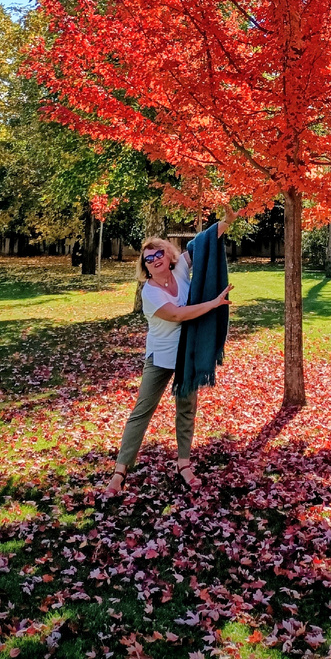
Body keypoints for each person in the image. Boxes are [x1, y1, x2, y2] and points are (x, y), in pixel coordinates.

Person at [104, 208, 234, 496]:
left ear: (167, 255)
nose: (155, 259)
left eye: (159, 253)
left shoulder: (179, 269)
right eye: (149, 258)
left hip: (186, 352)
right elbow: (176, 315)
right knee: (142, 411)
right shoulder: (149, 293)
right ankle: (119, 472)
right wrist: (212, 304)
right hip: (161, 356)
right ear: (145, 266)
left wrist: (225, 223)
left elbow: (201, 243)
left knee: (186, 408)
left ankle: (184, 464)